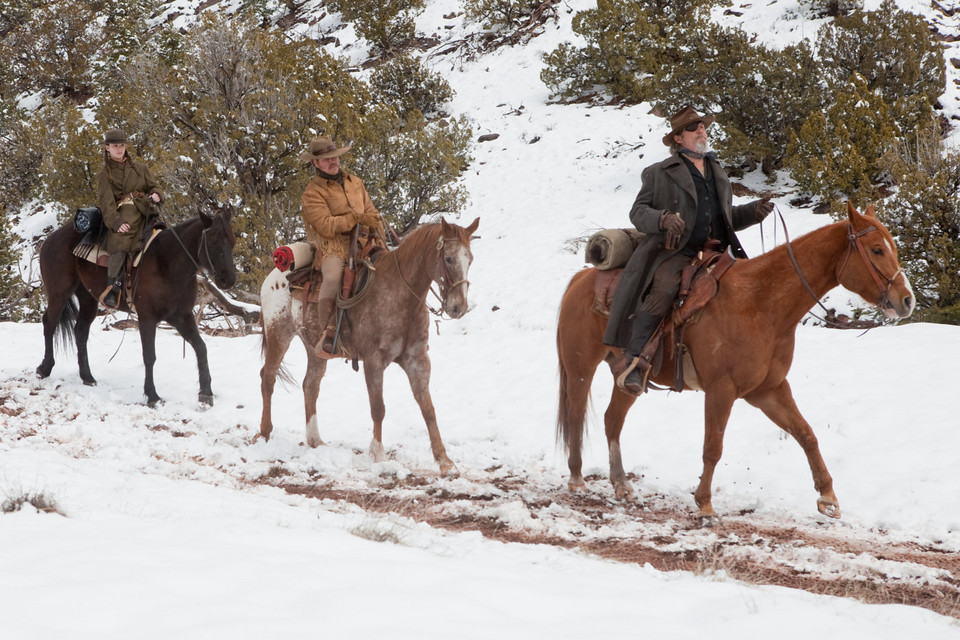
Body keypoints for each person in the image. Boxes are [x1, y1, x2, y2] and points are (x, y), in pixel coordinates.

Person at [605, 106, 775, 394]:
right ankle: (636, 360)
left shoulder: (716, 170)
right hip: (676, 252)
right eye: (693, 127)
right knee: (665, 289)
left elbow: (724, 216)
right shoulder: (659, 173)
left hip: (718, 251)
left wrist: (753, 211)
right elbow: (638, 212)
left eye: (702, 126)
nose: (701, 131)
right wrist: (662, 220)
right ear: (678, 139)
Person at [299, 135, 385, 358]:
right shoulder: (312, 193)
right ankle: (328, 334)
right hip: (334, 246)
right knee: (333, 277)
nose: (333, 161)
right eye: (326, 159)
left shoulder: (355, 182)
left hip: (364, 241)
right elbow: (325, 225)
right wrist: (355, 218)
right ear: (315, 163)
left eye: (334, 157)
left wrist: (374, 221)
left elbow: (371, 211)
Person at [96, 128, 163, 308]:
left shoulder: (141, 168)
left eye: (122, 145)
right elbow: (107, 204)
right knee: (120, 241)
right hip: (122, 214)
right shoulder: (104, 176)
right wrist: (116, 222)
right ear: (107, 148)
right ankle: (113, 287)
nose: (119, 149)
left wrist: (157, 194)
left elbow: (155, 186)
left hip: (145, 210)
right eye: (115, 146)